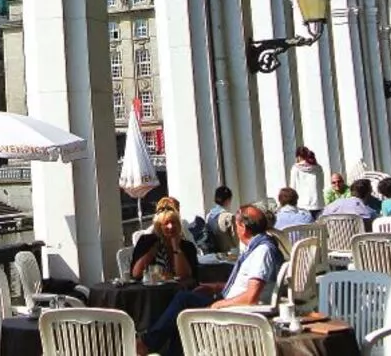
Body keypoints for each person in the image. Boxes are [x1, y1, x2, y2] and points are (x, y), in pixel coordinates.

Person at [137, 206, 284, 356]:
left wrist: (220, 303)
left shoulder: (262, 251)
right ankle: (158, 347)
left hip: (239, 311)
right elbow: (245, 286)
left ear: (243, 227)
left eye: (235, 226)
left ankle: (147, 344)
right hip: (232, 303)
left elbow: (251, 296)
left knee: (183, 301)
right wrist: (214, 287)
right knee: (182, 308)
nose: (234, 231)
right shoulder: (257, 247)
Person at [131, 208, 198, 284]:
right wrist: (153, 250)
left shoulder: (188, 246)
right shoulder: (146, 242)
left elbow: (184, 276)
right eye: (166, 223)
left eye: (173, 222)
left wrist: (176, 247)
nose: (171, 226)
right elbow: (136, 274)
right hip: (152, 290)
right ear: (159, 227)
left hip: (179, 289)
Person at [289, 147, 325, 218]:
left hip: (302, 205)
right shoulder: (318, 168)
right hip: (318, 203)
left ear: (298, 157)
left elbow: (292, 188)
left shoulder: (295, 168)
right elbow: (322, 185)